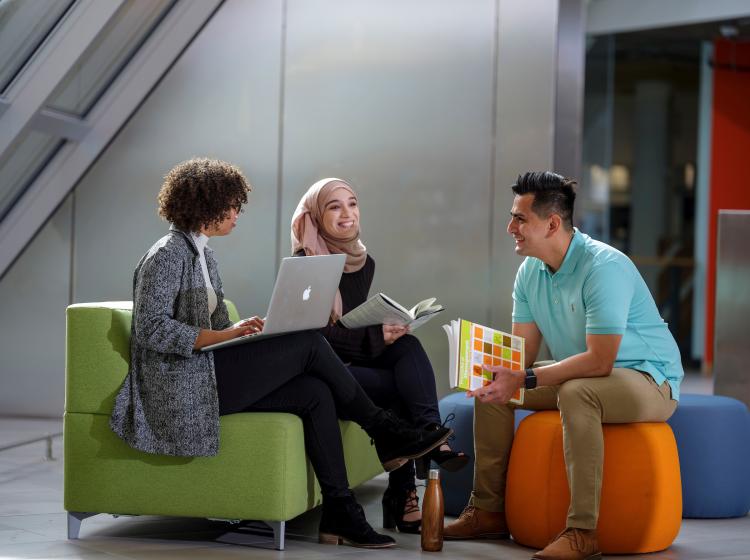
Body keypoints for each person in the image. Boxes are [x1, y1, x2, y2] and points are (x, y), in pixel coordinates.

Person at [109, 158, 451, 549]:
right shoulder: (167, 254)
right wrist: (221, 334)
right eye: (233, 206)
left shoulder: (203, 255)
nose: (238, 214)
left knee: (314, 392)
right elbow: (150, 329)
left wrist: (249, 334)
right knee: (307, 343)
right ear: (209, 207)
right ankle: (383, 429)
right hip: (182, 385)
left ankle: (340, 511)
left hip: (205, 372)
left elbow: (218, 330)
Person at [443, 171, 684, 560]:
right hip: (586, 373)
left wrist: (524, 376)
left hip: (648, 378)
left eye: (520, 219)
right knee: (494, 388)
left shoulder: (603, 267)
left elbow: (601, 361)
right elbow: (520, 358)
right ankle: (488, 509)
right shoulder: (529, 273)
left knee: (578, 392)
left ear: (552, 223)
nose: (510, 228)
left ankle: (582, 531)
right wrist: (489, 369)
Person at [291, 178, 469, 534]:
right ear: (315, 215)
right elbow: (312, 340)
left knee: (408, 346)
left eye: (352, 203)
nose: (347, 213)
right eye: (334, 206)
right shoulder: (305, 264)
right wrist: (374, 338)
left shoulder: (362, 261)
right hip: (323, 376)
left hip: (354, 366)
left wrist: (384, 332)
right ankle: (404, 491)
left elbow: (350, 325)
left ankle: (429, 431)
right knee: (399, 383)